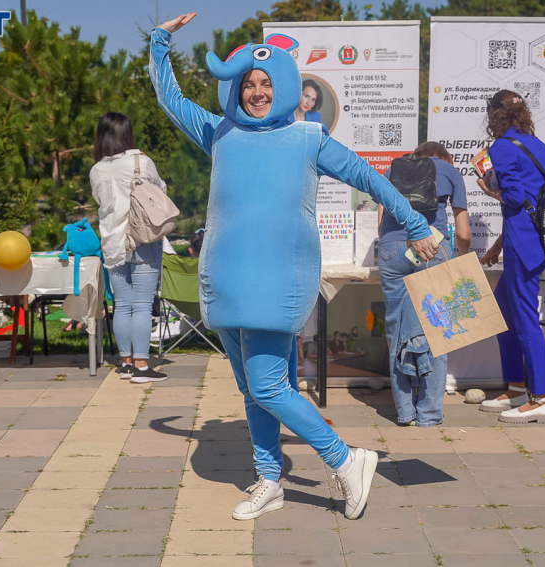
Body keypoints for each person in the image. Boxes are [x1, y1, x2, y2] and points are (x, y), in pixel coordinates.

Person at [151, 13, 438, 521]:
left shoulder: (309, 139)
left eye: (265, 83)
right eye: (247, 85)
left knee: (266, 387)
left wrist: (416, 224)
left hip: (277, 280)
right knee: (255, 389)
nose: (256, 93)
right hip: (228, 279)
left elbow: (369, 178)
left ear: (283, 85)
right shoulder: (219, 133)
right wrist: (160, 41)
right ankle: (270, 479)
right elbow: (171, 100)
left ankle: (346, 459)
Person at [477, 90, 545, 424]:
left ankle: (539, 397)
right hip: (540, 240)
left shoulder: (501, 147)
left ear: (494, 116)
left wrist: (490, 190)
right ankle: (515, 386)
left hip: (523, 243)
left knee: (525, 317)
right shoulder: (538, 145)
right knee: (502, 311)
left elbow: (514, 196)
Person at [376, 141, 469, 427]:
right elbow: (463, 231)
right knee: (437, 330)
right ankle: (429, 413)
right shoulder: (450, 171)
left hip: (392, 250)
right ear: (442, 158)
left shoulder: (393, 167)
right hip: (432, 248)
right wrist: (460, 262)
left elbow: (381, 219)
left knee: (395, 328)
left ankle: (404, 410)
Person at [90, 112, 168, 384]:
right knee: (143, 305)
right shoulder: (141, 162)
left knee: (122, 305)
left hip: (112, 243)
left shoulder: (96, 170)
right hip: (142, 240)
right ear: (127, 134)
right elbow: (160, 191)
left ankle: (124, 363)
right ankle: (142, 366)